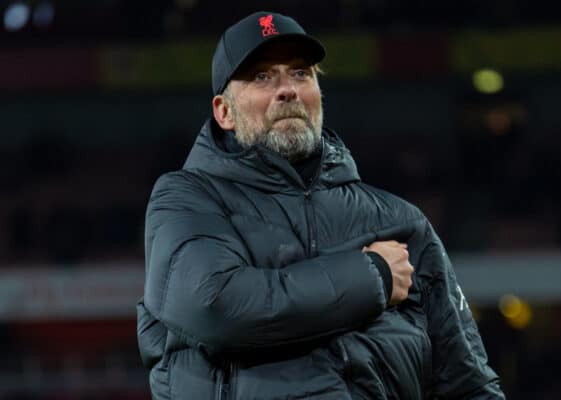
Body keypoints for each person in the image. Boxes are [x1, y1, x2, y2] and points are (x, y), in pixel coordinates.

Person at [137, 11, 505, 400]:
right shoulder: (186, 200)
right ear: (224, 112)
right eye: (263, 77)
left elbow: (468, 385)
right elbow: (215, 306)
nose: (287, 89)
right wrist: (373, 276)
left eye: (301, 73)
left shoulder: (400, 221)